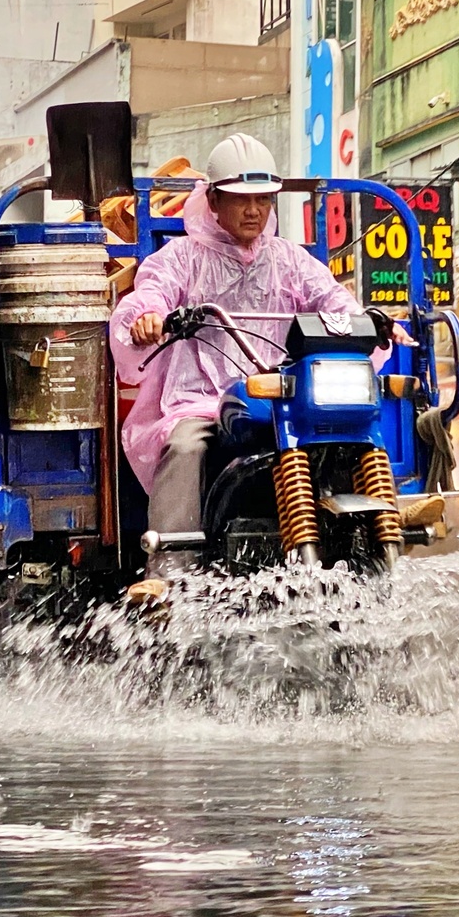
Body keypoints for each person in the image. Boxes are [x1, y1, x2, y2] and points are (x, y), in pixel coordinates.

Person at [108, 132, 406, 601]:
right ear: (214, 200)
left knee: (348, 434)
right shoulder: (180, 259)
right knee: (186, 443)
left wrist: (370, 322)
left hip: (283, 394)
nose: (254, 211)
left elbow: (333, 301)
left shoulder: (290, 260)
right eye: (242, 200)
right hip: (203, 402)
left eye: (264, 200)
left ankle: (379, 547)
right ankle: (168, 572)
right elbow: (150, 295)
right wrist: (147, 318)